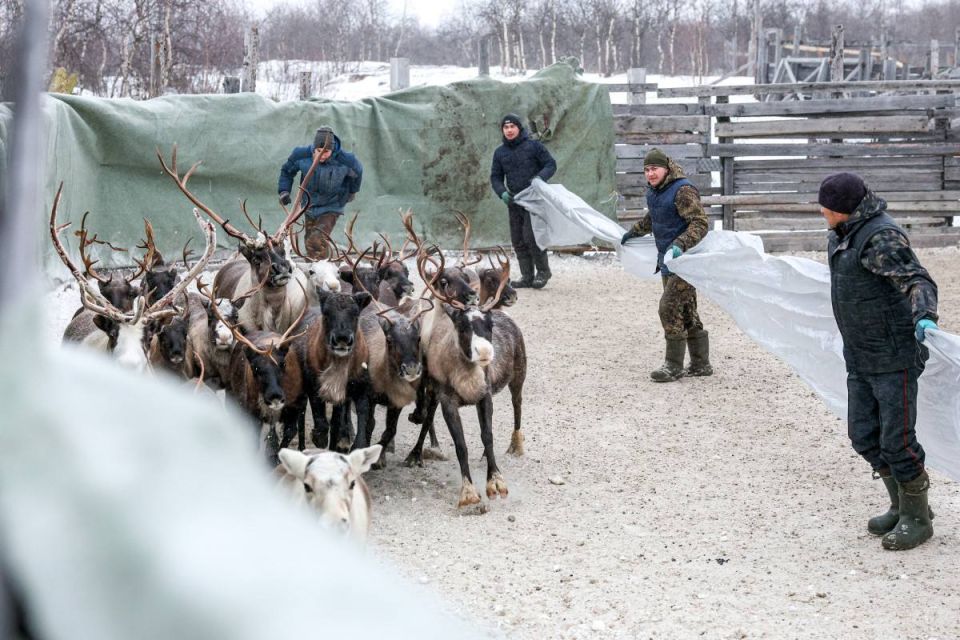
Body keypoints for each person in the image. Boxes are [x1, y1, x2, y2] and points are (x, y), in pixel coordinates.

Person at [818, 172, 939, 550]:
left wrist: (924, 315)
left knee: (897, 440)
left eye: (827, 208)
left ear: (843, 210)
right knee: (864, 436)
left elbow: (917, 279)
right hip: (860, 353)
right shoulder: (842, 235)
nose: (821, 212)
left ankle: (918, 518)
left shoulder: (880, 237)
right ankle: (900, 504)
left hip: (893, 356)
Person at [620, 148, 711, 382]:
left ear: (666, 168)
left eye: (654, 169)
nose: (650, 174)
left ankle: (673, 366)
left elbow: (700, 223)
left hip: (686, 262)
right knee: (687, 310)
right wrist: (633, 233)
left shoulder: (682, 190)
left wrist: (680, 244)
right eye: (647, 170)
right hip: (667, 261)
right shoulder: (655, 191)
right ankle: (701, 364)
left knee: (668, 307)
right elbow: (655, 217)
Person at [490, 113, 557, 289]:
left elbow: (550, 164)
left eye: (512, 126)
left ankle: (543, 272)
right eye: (506, 127)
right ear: (502, 130)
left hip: (534, 199)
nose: (509, 130)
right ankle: (527, 276)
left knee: (532, 236)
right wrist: (502, 193)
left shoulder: (534, 146)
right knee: (518, 239)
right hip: (514, 201)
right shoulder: (500, 153)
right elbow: (495, 177)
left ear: (519, 128)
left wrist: (539, 179)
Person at [278, 126, 362, 259]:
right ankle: (322, 267)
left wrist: (352, 191)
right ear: (314, 147)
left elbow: (357, 173)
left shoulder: (346, 160)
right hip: (309, 205)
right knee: (310, 243)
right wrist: (284, 190)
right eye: (319, 151)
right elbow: (287, 171)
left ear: (332, 149)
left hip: (331, 205)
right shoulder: (301, 155)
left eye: (326, 152)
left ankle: (323, 271)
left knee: (316, 240)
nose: (322, 155)